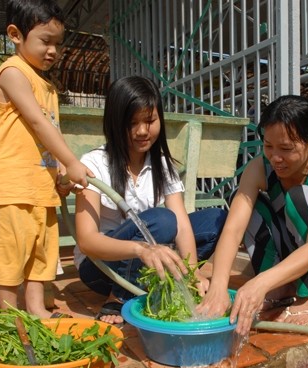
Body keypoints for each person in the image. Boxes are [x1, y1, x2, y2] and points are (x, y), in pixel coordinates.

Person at [197, 95, 308, 336]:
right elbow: (234, 229)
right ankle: (281, 288)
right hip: (296, 250)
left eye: (286, 148)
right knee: (241, 201)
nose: (275, 158)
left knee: (300, 197)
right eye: (268, 146)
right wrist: (218, 286)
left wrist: (259, 283)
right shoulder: (259, 167)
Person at [73, 75, 227, 325]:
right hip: (102, 268)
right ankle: (119, 296)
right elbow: (87, 241)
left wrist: (192, 273)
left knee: (217, 219)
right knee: (162, 221)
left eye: (150, 120)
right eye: (132, 123)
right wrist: (140, 249)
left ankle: (171, 276)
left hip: (146, 255)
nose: (143, 131)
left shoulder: (163, 165)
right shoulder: (93, 164)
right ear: (114, 123)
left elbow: (182, 222)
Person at [0, 0, 92, 319]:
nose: (53, 50)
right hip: (13, 188)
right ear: (16, 34)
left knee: (40, 254)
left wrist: (58, 176)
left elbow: (44, 137)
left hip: (40, 188)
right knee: (13, 254)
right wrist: (71, 161)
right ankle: (11, 317)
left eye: (58, 43)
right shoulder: (13, 74)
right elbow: (39, 124)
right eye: (45, 41)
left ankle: (36, 309)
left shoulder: (47, 86)